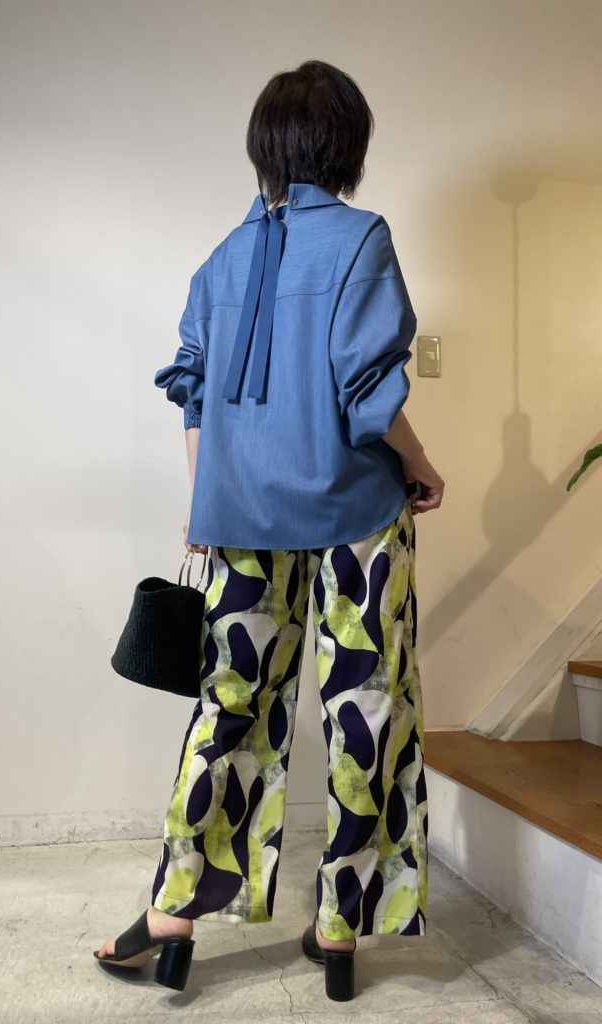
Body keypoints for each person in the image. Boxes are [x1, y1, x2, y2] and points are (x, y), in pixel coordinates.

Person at [95, 59, 445, 1002]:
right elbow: (370, 395)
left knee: (229, 708)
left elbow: (193, 397)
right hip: (355, 516)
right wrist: (423, 466)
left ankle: (171, 918)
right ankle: (341, 928)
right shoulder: (361, 239)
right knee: (366, 710)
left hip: (240, 519)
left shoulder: (219, 260)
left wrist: (204, 500)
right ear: (346, 145)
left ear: (266, 146)